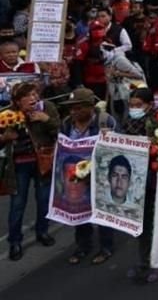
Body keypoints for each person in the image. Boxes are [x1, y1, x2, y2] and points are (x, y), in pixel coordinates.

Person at [122, 87, 158, 284]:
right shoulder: (129, 119)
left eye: (138, 105)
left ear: (150, 104)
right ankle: (144, 260)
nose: (134, 109)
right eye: (131, 105)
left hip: (157, 175)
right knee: (142, 222)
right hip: (137, 177)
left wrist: (155, 145)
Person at [0, 81, 59, 261]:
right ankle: (15, 242)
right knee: (18, 204)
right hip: (19, 166)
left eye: (35, 94)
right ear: (18, 101)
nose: (34, 98)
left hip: (43, 162)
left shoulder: (47, 107)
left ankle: (43, 232)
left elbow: (60, 131)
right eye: (28, 96)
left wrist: (46, 120)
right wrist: (4, 138)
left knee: (43, 200)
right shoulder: (6, 114)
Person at [60, 87, 116, 265]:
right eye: (71, 108)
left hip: (100, 173)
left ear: (90, 106)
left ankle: (106, 247)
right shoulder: (67, 123)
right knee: (79, 210)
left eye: (78, 107)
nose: (73, 112)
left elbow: (119, 147)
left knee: (102, 211)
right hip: (77, 174)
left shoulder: (105, 121)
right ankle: (83, 246)